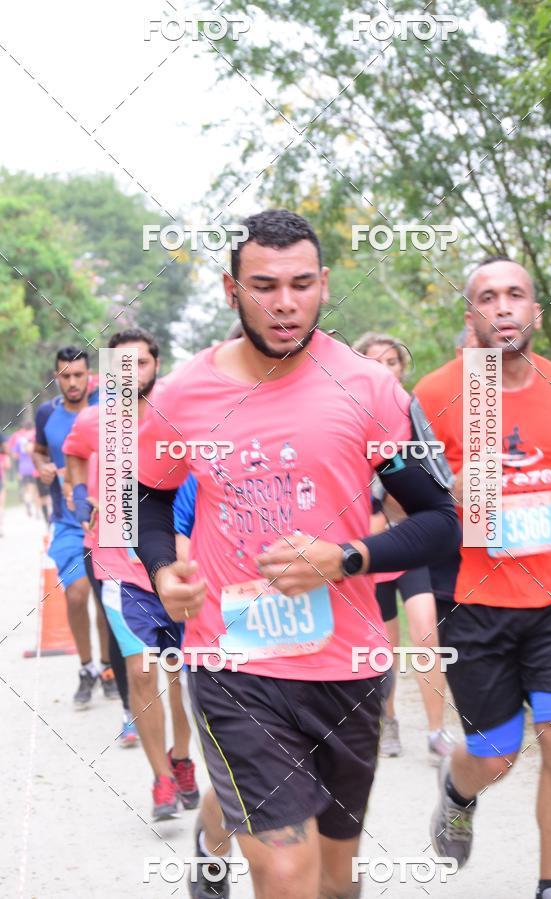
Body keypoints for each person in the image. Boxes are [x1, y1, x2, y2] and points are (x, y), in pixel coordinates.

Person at [134, 209, 460, 899]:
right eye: (264, 285)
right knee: (286, 871)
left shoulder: (370, 389)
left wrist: (344, 558)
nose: (285, 303)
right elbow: (147, 498)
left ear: (324, 284)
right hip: (234, 666)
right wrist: (163, 567)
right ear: (231, 290)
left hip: (348, 667)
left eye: (301, 284)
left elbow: (437, 520)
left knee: (335, 879)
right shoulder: (183, 394)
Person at [416, 257, 551, 899]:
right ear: (471, 316)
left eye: (515, 295)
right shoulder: (437, 394)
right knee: (493, 755)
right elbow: (401, 502)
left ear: (534, 313)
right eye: (487, 297)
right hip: (476, 603)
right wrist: (449, 493)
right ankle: (457, 793)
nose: (502, 307)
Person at [64, 329, 199, 820]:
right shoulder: (94, 420)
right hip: (118, 563)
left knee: (180, 676)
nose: (133, 373)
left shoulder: (175, 420)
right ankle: (161, 781)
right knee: (142, 672)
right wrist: (79, 496)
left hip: (175, 565)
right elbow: (76, 453)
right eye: (123, 365)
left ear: (156, 365)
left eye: (141, 363)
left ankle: (181, 758)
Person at [353, 332, 454, 763]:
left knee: (427, 634)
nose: (386, 368)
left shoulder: (414, 417)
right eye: (375, 362)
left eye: (393, 361)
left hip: (410, 545)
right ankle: (387, 721)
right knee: (383, 647)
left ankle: (436, 730)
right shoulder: (345, 416)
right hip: (367, 551)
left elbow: (438, 483)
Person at [33, 347, 117, 706]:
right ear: (56, 377)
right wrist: (43, 466)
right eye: (65, 376)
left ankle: (108, 667)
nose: (72, 382)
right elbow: (39, 450)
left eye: (78, 375)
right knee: (78, 592)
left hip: (105, 520)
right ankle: (86, 668)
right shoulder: (46, 414)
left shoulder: (106, 408)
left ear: (89, 376)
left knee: (105, 599)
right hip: (67, 522)